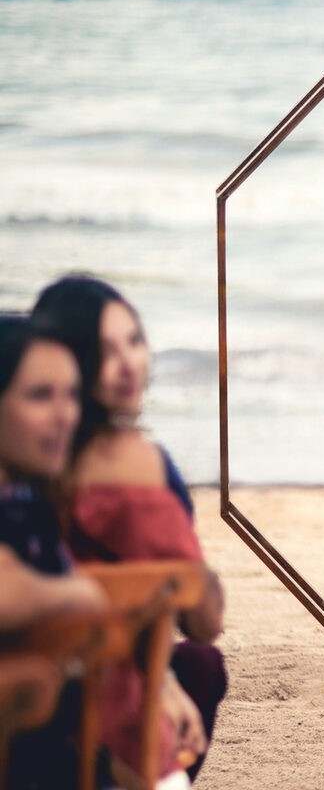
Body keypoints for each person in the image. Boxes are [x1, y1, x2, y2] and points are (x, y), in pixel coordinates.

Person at [32, 275, 226, 781]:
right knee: (204, 662)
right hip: (107, 718)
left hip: (42, 704)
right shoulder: (147, 472)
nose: (129, 366)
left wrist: (160, 680)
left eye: (135, 341)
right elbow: (203, 619)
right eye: (105, 352)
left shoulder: (21, 461)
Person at [0, 314, 111, 788]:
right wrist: (79, 596)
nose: (66, 414)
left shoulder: (30, 501)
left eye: (71, 394)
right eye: (41, 395)